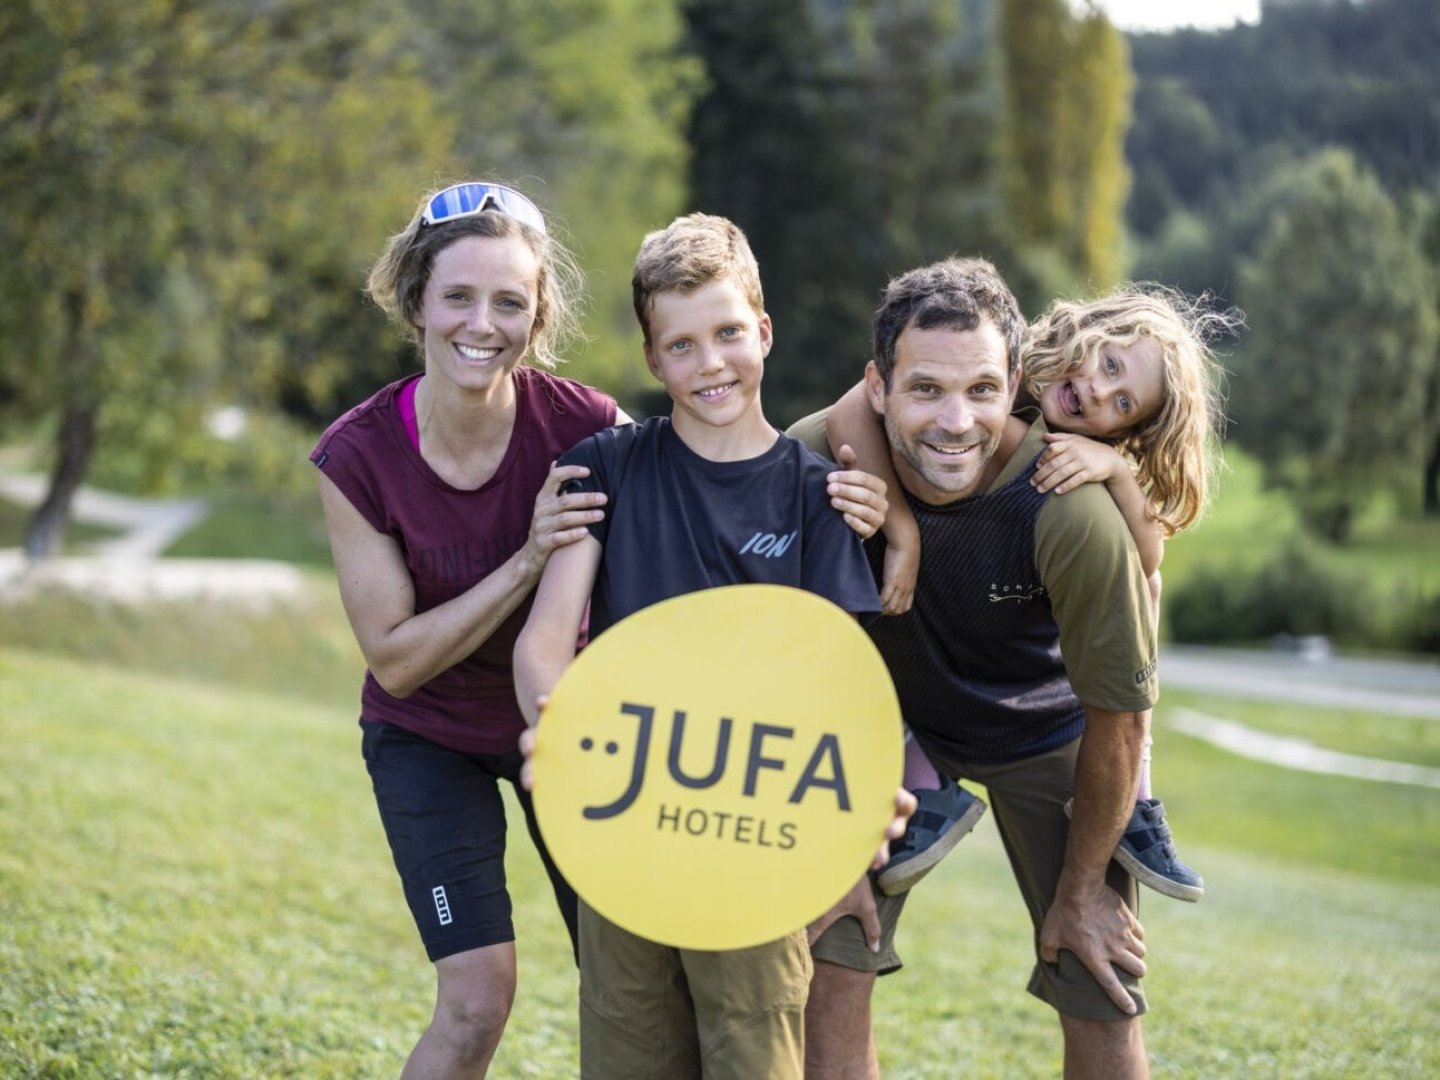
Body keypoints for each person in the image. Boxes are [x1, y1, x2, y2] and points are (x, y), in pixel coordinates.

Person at [512, 212, 899, 1080]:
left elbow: (841, 684)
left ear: (763, 329)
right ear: (652, 360)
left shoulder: (818, 498)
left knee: (754, 1056)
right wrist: (558, 733)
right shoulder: (603, 468)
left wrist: (836, 850)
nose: (710, 362)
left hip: (753, 840)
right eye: (680, 345)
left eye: (728, 333)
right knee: (629, 1055)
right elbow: (546, 641)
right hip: (624, 829)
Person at [790, 257, 1160, 1079]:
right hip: (884, 730)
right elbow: (784, 669)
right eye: (925, 390)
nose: (956, 422)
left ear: (1014, 384)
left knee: (1097, 971)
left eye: (982, 392)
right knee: (830, 952)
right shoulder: (815, 465)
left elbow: (1121, 717)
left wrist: (1084, 886)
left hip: (1043, 726)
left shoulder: (1071, 508)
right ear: (878, 388)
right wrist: (832, 855)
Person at [310, 179, 627, 1078]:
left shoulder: (589, 427)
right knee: (478, 997)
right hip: (428, 738)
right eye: (457, 296)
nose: (480, 323)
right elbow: (396, 661)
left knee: (629, 978)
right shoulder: (356, 455)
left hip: (563, 729)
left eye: (508, 302)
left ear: (536, 316)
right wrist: (526, 561)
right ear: (417, 302)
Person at [826, 284, 1231, 902]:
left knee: (1142, 583)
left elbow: (1148, 556)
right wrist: (902, 532)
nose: (1098, 390)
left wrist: (1117, 471)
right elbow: (853, 408)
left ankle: (1138, 795)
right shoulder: (996, 360)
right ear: (1088, 329)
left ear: (1130, 427)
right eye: (1110, 363)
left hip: (1030, 677)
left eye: (1122, 401)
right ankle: (921, 771)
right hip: (930, 624)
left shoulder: (1089, 460)